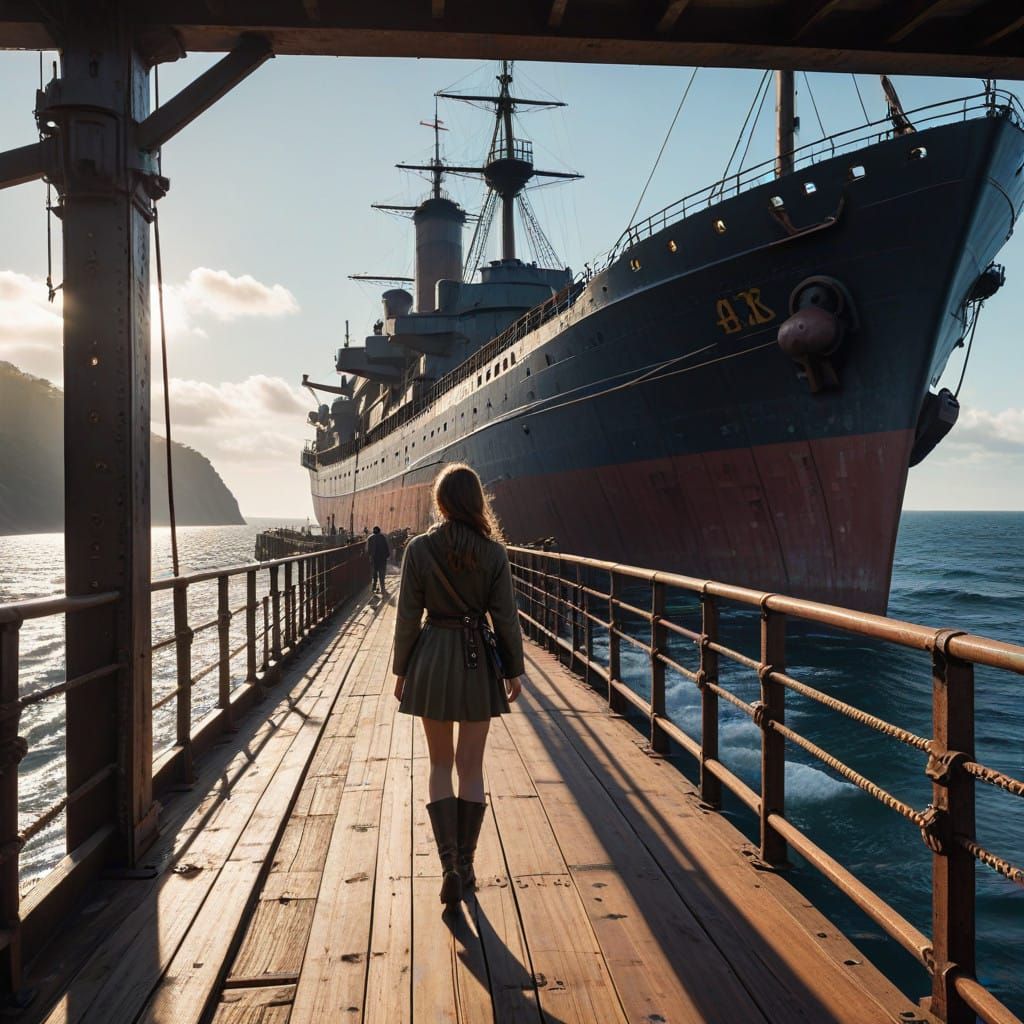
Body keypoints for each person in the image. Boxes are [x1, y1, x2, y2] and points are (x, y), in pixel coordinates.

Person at [392, 463, 524, 912]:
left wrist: (402, 669)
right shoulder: (494, 554)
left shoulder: (419, 549)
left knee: (438, 765)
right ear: (477, 502)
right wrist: (513, 669)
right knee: (471, 768)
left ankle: (447, 864)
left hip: (431, 659)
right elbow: (505, 618)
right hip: (476, 665)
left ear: (441, 503)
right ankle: (465, 866)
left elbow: (408, 617)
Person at [366, 526, 390, 593]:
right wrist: (387, 556)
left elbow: (367, 550)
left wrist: (369, 557)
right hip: (382, 559)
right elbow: (386, 547)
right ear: (379, 531)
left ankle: (373, 588)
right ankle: (382, 588)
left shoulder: (370, 538)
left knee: (374, 574)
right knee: (382, 574)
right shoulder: (382, 537)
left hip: (374, 559)